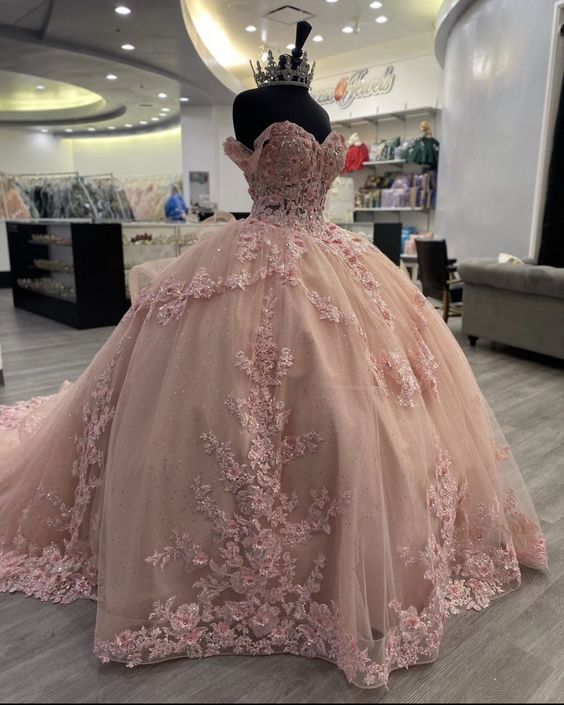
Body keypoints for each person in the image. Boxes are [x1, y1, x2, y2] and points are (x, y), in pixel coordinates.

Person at [0, 23, 546, 690]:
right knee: (217, 408)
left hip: (332, 262)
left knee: (360, 409)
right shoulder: (250, 107)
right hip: (253, 257)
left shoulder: (292, 113)